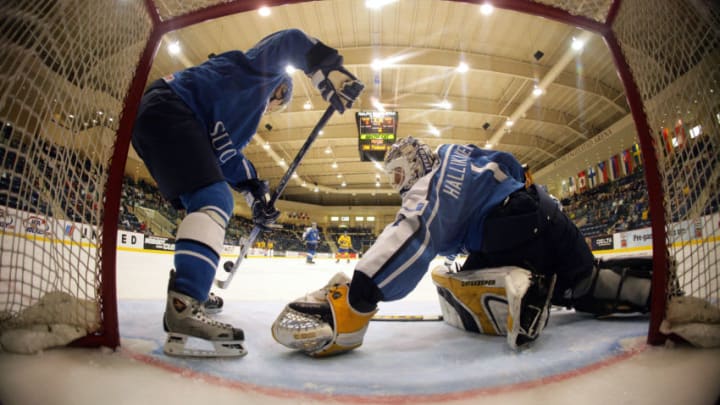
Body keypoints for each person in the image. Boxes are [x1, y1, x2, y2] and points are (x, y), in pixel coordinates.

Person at [272, 137, 653, 357]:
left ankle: (522, 284)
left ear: (415, 164)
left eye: (399, 174)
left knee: (465, 280)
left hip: (510, 230)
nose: (398, 184)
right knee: (582, 284)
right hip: (548, 211)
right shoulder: (457, 151)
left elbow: (413, 232)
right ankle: (653, 293)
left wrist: (361, 294)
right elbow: (513, 170)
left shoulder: (429, 186)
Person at [131, 28, 364, 357]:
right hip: (172, 108)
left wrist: (258, 198)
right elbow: (289, 41)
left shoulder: (241, 119)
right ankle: (184, 303)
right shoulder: (258, 76)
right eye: (280, 102)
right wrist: (325, 68)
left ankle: (192, 289)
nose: (274, 108)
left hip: (161, 119)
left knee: (203, 201)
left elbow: (229, 160)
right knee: (216, 199)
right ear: (280, 90)